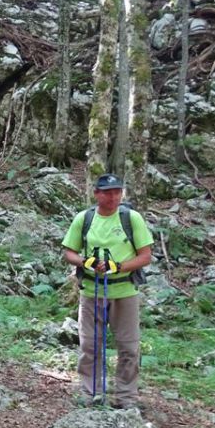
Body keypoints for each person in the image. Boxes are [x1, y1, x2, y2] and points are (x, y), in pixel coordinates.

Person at [62, 173, 154, 409]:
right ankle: (90, 392)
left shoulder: (131, 218)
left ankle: (125, 398)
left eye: (117, 192)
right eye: (107, 192)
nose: (113, 197)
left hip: (124, 292)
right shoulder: (84, 219)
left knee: (128, 346)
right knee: (90, 344)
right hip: (92, 291)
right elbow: (68, 252)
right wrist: (85, 262)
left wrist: (118, 266)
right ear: (97, 194)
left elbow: (145, 256)